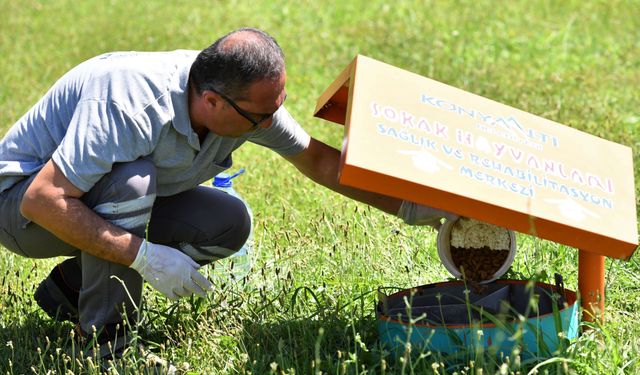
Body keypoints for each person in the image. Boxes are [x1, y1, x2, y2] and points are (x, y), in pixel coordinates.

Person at [0, 28, 455, 365]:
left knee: (227, 221)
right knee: (131, 181)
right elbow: (42, 200)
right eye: (260, 117)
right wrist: (145, 258)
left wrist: (414, 206)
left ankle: (72, 289)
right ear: (212, 101)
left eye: (275, 109)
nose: (269, 125)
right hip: (21, 211)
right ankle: (108, 349)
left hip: (78, 203)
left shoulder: (243, 102)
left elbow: (319, 161)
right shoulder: (130, 104)